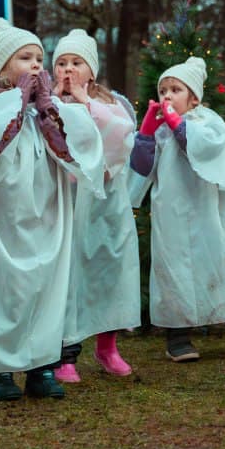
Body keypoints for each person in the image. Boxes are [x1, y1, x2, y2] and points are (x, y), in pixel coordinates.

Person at [0, 18, 105, 402]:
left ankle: (41, 365)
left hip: (47, 214)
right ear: (3, 67)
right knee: (1, 287)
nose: (37, 65)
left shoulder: (45, 112)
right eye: (25, 58)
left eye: (40, 58)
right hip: (1, 220)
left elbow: (83, 140)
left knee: (46, 285)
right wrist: (16, 102)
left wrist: (46, 108)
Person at [128, 56, 225, 362]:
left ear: (194, 97)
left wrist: (179, 126)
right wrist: (146, 135)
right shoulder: (159, 131)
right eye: (163, 91)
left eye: (175, 90)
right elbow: (140, 169)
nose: (167, 97)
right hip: (171, 213)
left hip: (211, 210)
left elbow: (209, 149)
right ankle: (178, 334)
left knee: (224, 261)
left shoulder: (208, 122)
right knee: (175, 269)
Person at [50, 29, 139, 383]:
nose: (68, 70)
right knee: (69, 273)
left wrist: (86, 102)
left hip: (105, 203)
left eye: (76, 62)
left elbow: (121, 135)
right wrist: (57, 104)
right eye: (61, 62)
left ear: (92, 71)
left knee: (108, 269)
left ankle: (108, 345)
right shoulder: (49, 102)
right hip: (68, 201)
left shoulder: (109, 103)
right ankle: (65, 352)